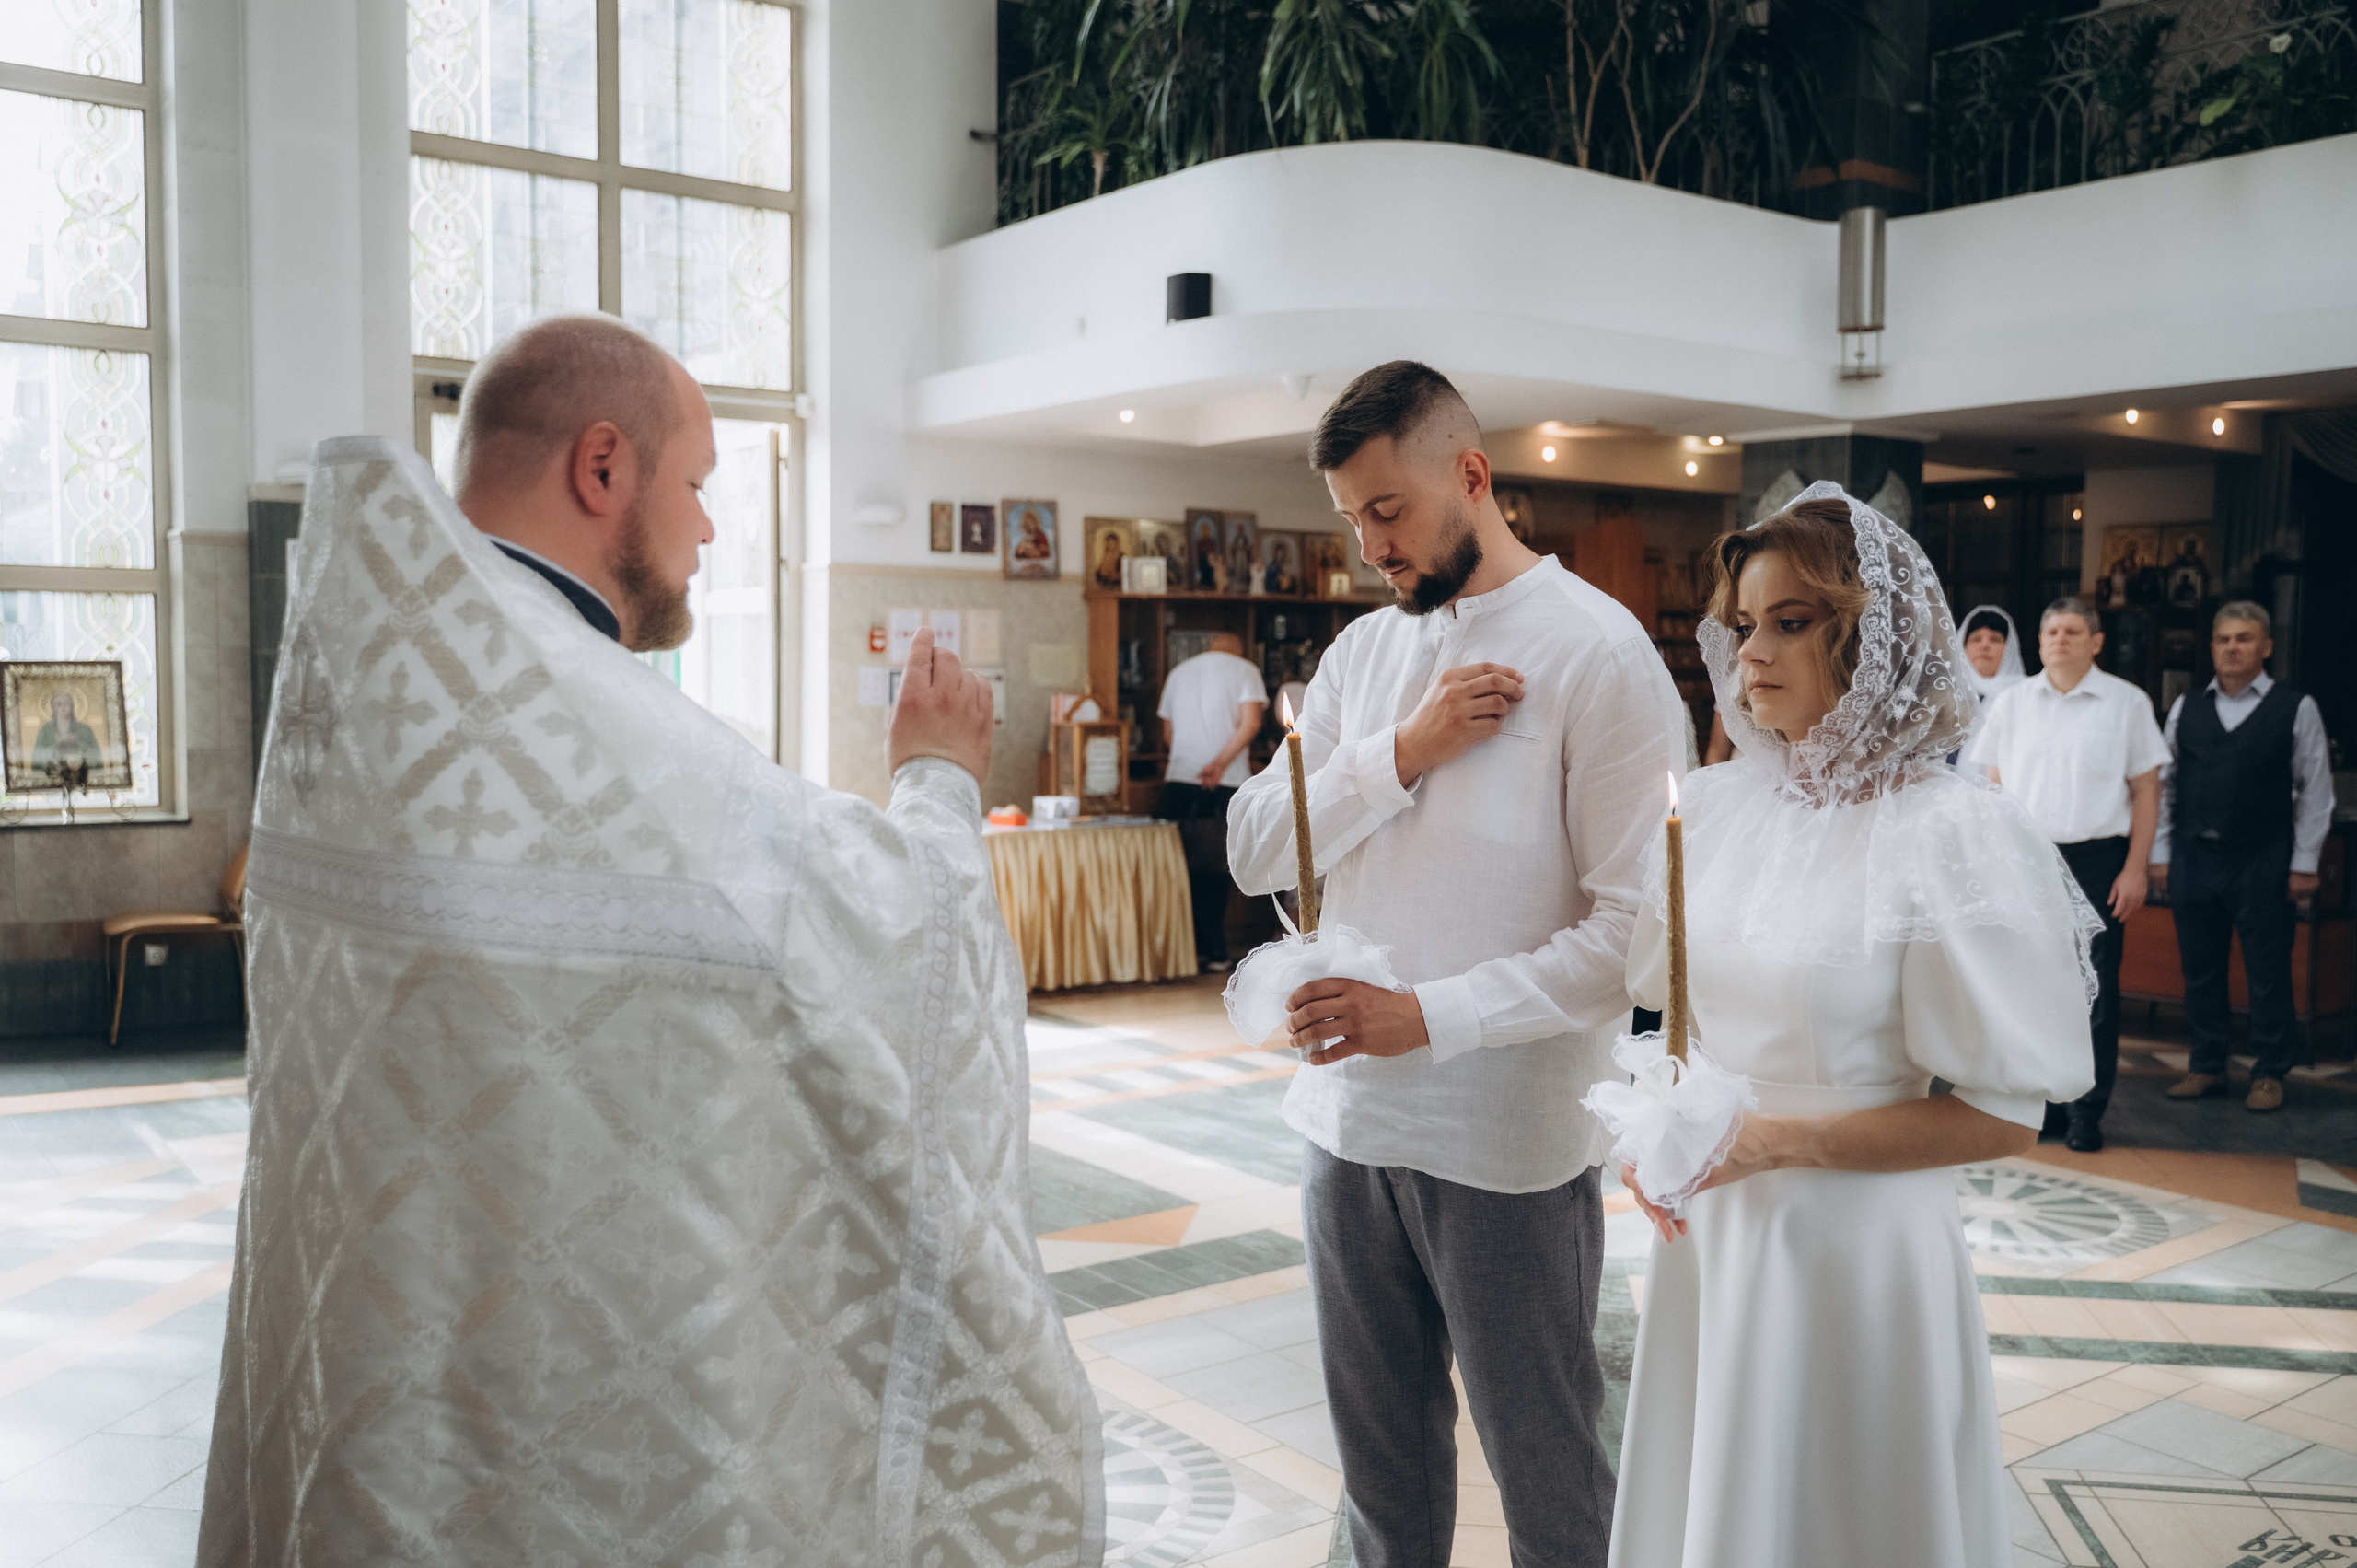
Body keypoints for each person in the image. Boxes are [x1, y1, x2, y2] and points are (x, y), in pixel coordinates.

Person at [199, 316, 1102, 1568]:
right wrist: (940, 776)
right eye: (698, 483)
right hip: (573, 1412)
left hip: (377, 1399)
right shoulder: (593, 725)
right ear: (603, 465)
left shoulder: (378, 704)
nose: (710, 529)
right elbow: (895, 929)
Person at [1228, 361, 1684, 1568]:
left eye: (1387, 509)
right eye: (1350, 519)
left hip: (1506, 1141)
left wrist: (1425, 1015)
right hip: (1344, 1124)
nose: (1370, 545)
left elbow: (1634, 939)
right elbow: (1255, 844)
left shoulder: (1599, 651)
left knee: (1550, 1473)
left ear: (1471, 475)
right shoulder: (1362, 657)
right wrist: (1403, 750)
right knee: (1381, 1481)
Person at [1611, 485, 2096, 1568]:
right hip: (1718, 1233)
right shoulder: (1718, 809)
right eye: (1745, 623)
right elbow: (1678, 1016)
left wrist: (1780, 1141)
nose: (1752, 652)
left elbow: (2005, 1115)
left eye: (1791, 621)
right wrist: (1662, 1133)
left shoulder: (1947, 832)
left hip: (1857, 1244)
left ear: (1872, 636)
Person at [1967, 597, 2170, 1152]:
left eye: (2073, 631)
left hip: (2099, 859)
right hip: (2029, 858)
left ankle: (2087, 1110)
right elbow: (1993, 787)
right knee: (2032, 985)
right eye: (2051, 631)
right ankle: (2046, 1106)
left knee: (2096, 989)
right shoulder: (2012, 704)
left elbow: (2146, 791)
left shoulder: (2126, 703)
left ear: (2096, 642)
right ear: (2038, 641)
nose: (2060, 639)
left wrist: (2136, 868)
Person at [2155, 602, 2336, 1112]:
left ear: (2266, 647)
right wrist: (2160, 853)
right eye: (2224, 639)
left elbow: (2316, 789)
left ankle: (2270, 1072)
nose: (2232, 647)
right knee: (2200, 968)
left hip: (2263, 857)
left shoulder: (2295, 707)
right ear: (2212, 646)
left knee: (2268, 969)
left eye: (2244, 638)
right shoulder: (2186, 707)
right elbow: (2164, 785)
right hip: (2194, 856)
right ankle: (2207, 1065)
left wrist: (2304, 863)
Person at [1158, 633, 1268, 970]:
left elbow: (1168, 734)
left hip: (1180, 780)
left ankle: (1187, 951)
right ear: (1239, 648)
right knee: (1219, 870)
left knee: (1182, 870)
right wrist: (1219, 764)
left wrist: (1194, 763)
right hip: (1224, 784)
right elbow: (1251, 723)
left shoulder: (1179, 672)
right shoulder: (1245, 669)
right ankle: (1216, 950)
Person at [1951, 603, 2025, 767]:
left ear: (2009, 649)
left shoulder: (2024, 695)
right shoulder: (1947, 696)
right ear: (1962, 647)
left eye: (1995, 639)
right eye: (1976, 639)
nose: (1984, 645)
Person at [29, 691, 103, 772]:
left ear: (72, 707)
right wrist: (56, 745)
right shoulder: (45, 731)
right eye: (59, 704)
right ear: (53, 708)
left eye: (67, 704)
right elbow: (36, 759)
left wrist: (77, 743)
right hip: (53, 775)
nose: (63, 708)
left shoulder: (85, 729)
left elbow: (97, 756)